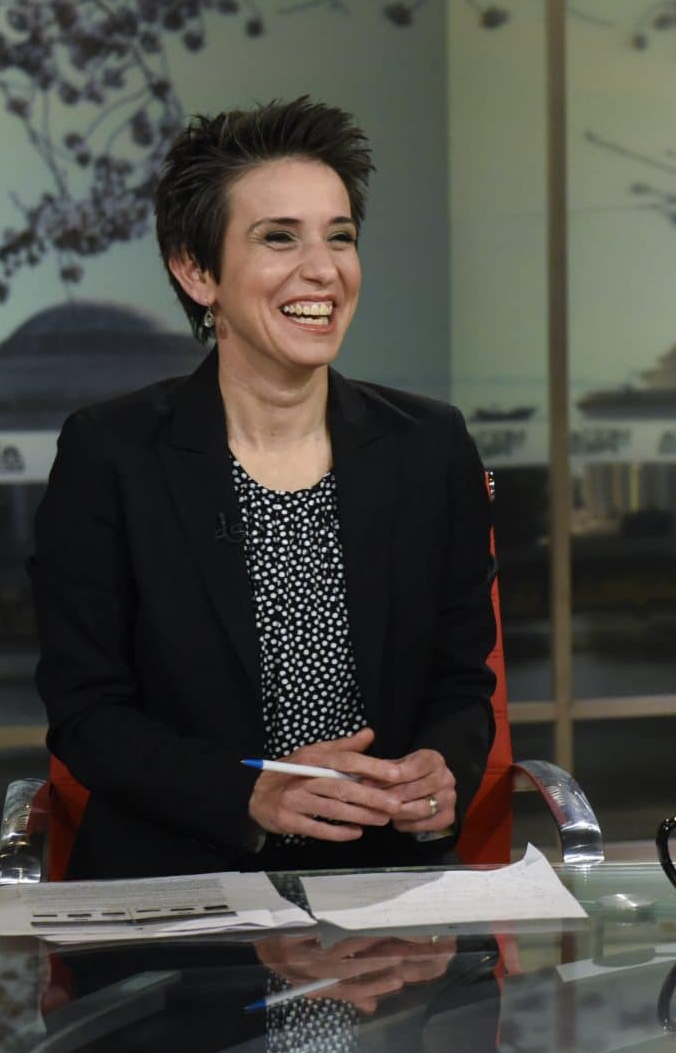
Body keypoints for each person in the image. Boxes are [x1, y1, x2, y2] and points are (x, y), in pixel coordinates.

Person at [33, 97, 496, 879]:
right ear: (196, 268)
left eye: (340, 238)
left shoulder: (429, 445)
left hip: (387, 888)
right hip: (184, 882)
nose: (324, 270)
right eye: (279, 238)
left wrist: (440, 767)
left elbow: (463, 680)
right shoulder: (111, 455)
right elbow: (87, 714)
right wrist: (248, 793)